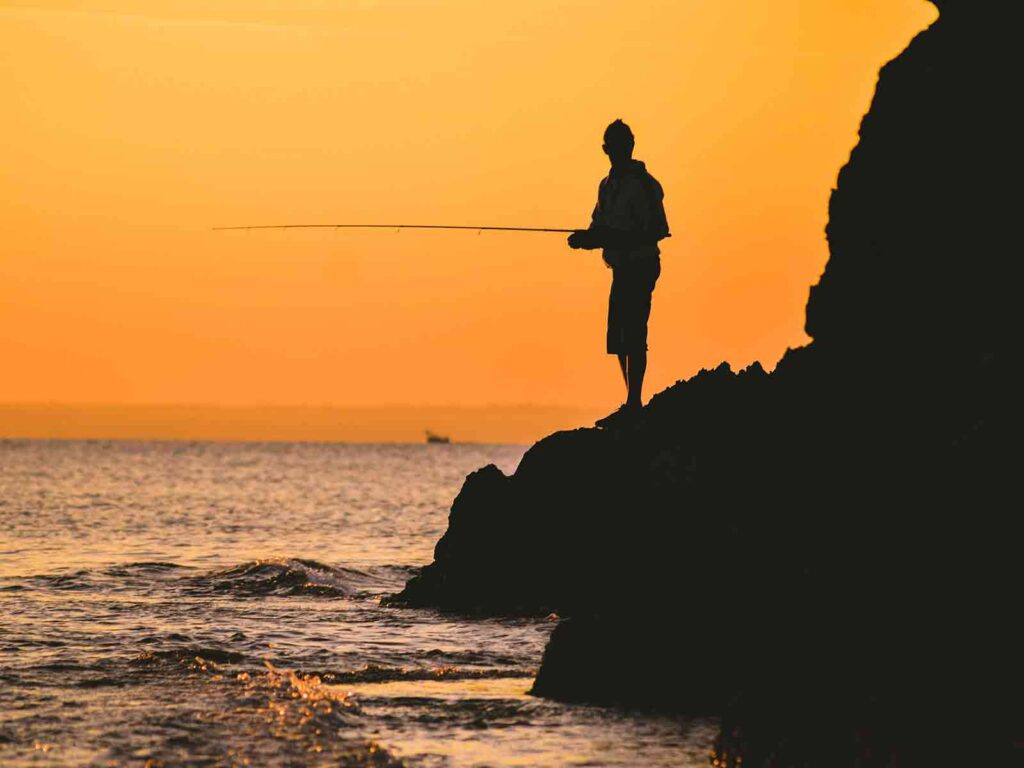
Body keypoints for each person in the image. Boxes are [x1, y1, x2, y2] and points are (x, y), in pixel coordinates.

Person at [568, 119, 670, 426]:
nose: (619, 151)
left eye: (623, 145)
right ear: (606, 150)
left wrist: (606, 238)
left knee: (635, 332)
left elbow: (657, 230)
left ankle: (634, 404)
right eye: (613, 147)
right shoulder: (606, 186)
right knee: (618, 338)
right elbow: (598, 227)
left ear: (631, 146)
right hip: (620, 269)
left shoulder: (646, 184)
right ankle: (631, 402)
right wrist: (586, 239)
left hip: (641, 265)